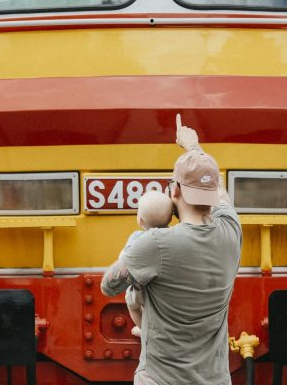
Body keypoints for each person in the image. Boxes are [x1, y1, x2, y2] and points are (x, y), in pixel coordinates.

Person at [101, 115, 242, 385]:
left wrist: (128, 255)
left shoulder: (154, 244)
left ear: (174, 191)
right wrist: (194, 149)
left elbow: (109, 285)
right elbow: (219, 190)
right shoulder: (231, 230)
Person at [120, 190, 174, 337]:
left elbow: (124, 260)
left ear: (140, 220)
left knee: (133, 306)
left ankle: (145, 331)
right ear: (170, 219)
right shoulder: (175, 235)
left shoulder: (137, 237)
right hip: (165, 286)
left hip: (141, 288)